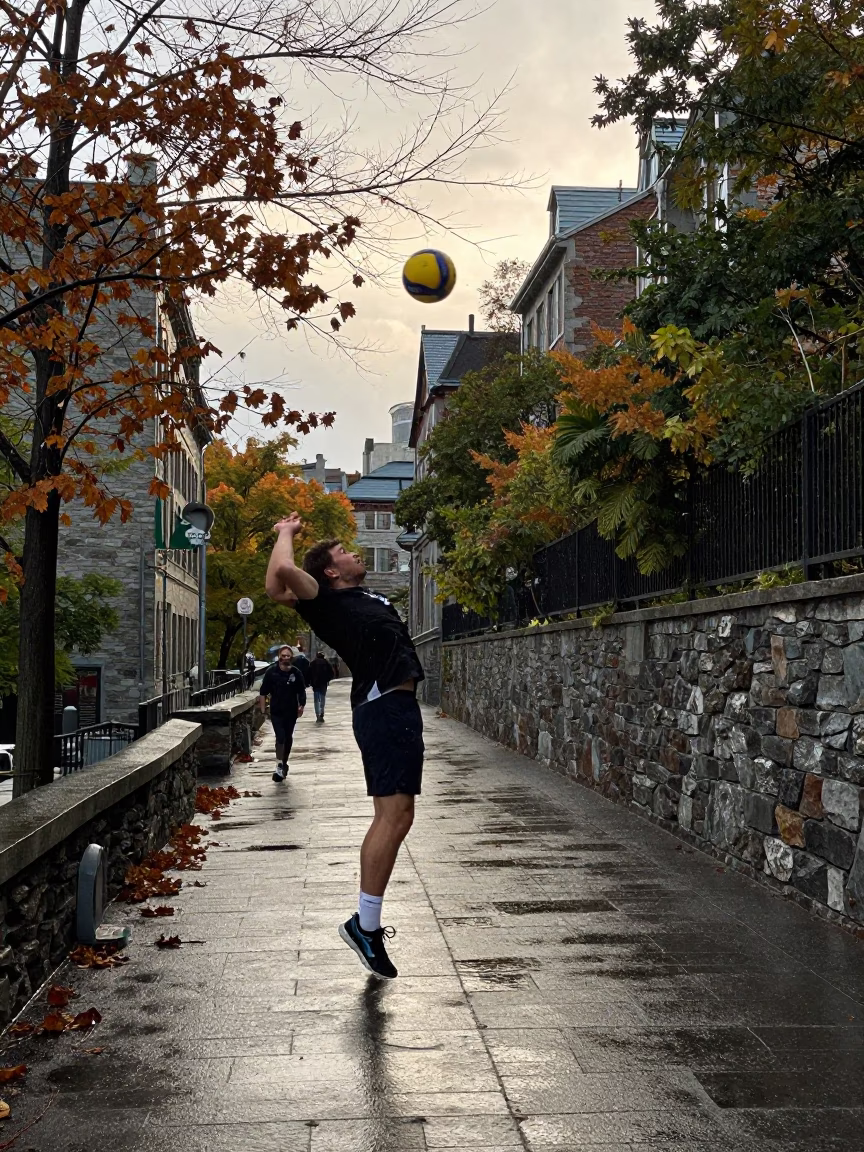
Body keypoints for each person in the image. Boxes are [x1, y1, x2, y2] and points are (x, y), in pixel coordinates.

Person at [265, 513, 424, 980]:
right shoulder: (323, 600)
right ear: (330, 571)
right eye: (346, 552)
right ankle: (366, 926)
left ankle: (367, 924)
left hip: (397, 709)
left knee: (400, 815)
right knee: (393, 816)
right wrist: (285, 534)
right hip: (383, 709)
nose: (356, 553)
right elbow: (279, 583)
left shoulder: (365, 596)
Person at [258, 645, 306, 782]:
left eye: (288, 656)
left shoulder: (296, 673)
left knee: (288, 737)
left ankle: (284, 763)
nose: (285, 658)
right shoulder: (271, 672)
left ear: (291, 658)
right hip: (276, 711)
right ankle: (279, 764)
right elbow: (263, 692)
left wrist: (301, 705)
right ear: (279, 657)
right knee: (280, 737)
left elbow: (301, 691)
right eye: (283, 656)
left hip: (291, 711)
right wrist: (263, 710)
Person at [308, 650, 334, 723]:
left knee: (316, 699)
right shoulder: (326, 663)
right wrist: (327, 679)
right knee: (322, 698)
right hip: (323, 684)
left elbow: (308, 674)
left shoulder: (312, 663)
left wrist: (310, 682)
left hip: (315, 684)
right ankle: (322, 712)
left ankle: (317, 714)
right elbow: (332, 673)